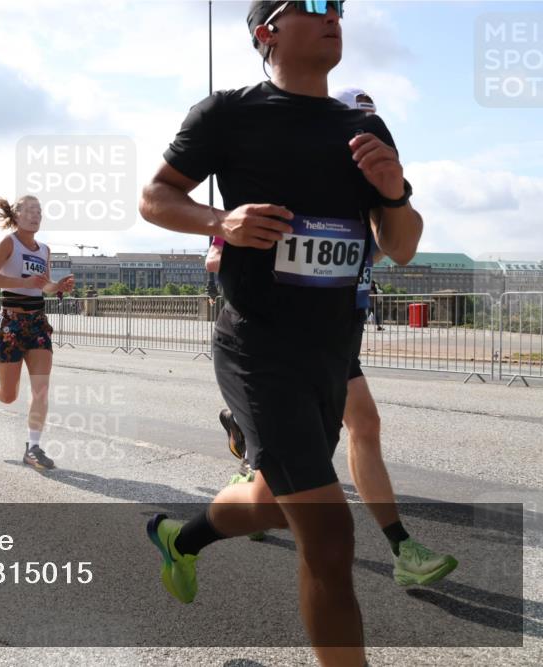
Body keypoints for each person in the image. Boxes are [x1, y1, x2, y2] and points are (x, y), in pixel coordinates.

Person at [138, 3, 424, 665]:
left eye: (340, 7)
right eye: (315, 4)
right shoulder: (228, 114)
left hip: (332, 351)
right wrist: (222, 220)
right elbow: (155, 196)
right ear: (266, 31)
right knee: (328, 539)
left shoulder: (362, 126)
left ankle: (181, 539)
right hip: (258, 346)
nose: (334, 15)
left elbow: (401, 246)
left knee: (271, 502)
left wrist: (396, 190)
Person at [0, 195, 74, 470]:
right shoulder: (8, 243)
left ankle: (33, 448)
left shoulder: (44, 249)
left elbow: (43, 285)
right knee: (9, 394)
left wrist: (57, 287)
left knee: (41, 389)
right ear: (16, 216)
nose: (36, 215)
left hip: (37, 323)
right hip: (11, 322)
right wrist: (20, 281)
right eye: (30, 211)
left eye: (39, 211)